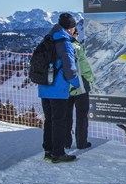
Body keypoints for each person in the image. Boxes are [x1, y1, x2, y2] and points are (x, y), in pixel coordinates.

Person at [39, 12, 81, 163]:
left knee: (49, 120)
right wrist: (77, 84)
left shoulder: (48, 38)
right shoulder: (64, 43)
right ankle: (58, 153)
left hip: (44, 87)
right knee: (59, 121)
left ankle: (48, 151)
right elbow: (70, 68)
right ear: (70, 28)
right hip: (58, 89)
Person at [65, 27, 95, 149]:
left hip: (65, 87)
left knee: (66, 116)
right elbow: (83, 66)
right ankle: (81, 142)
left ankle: (65, 142)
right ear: (73, 33)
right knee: (82, 116)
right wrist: (90, 80)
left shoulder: (58, 45)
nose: (77, 36)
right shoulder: (76, 46)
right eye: (76, 33)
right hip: (80, 86)